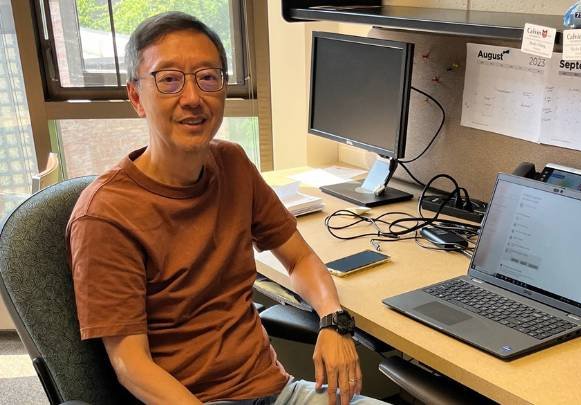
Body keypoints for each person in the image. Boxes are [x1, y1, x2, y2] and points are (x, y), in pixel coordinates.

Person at [67, 12, 386, 405]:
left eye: (207, 77)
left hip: (277, 391)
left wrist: (333, 321)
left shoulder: (232, 163)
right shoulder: (105, 215)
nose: (192, 98)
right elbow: (131, 365)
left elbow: (299, 258)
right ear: (136, 97)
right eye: (168, 79)